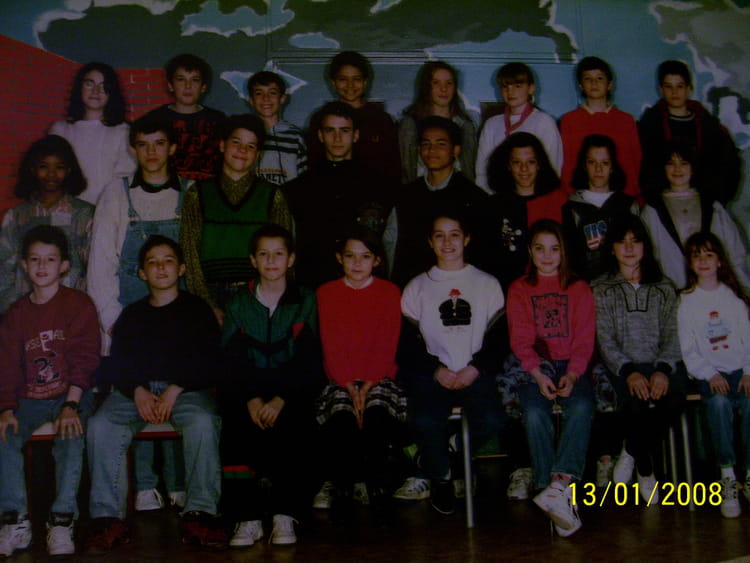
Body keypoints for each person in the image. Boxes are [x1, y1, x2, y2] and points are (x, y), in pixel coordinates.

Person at [85, 235, 225, 554]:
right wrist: (137, 390)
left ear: (182, 268)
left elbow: (211, 360)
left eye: (168, 261)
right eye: (152, 262)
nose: (161, 267)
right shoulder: (132, 315)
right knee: (100, 425)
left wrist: (177, 387)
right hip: (138, 391)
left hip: (187, 390)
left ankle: (201, 514)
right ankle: (108, 518)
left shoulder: (197, 310)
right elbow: (117, 364)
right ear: (142, 273)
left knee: (203, 423)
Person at [87, 114, 189, 511]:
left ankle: (178, 482)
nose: (151, 152)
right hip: (130, 321)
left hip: (177, 319)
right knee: (136, 395)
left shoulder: (189, 192)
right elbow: (100, 265)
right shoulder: (116, 194)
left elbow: (194, 262)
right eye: (143, 144)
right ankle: (145, 484)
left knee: (176, 393)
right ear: (133, 149)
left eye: (159, 143)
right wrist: (115, 324)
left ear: (172, 148)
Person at [220, 225, 324, 548]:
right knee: (235, 425)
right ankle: (247, 517)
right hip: (249, 387)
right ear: (253, 260)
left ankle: (285, 513)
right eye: (263, 254)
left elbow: (309, 359)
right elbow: (231, 361)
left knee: (298, 423)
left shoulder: (305, 300)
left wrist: (281, 399)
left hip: (290, 388)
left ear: (290, 259)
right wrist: (251, 398)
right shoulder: (239, 303)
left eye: (278, 254)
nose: (271, 261)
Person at [0, 225, 99, 557]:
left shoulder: (78, 304)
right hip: (30, 397)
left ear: (64, 266)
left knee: (71, 434)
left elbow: (85, 359)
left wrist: (71, 405)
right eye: (35, 259)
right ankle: (15, 520)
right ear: (24, 265)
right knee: (3, 434)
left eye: (50, 259)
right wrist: (6, 408)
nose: (42, 266)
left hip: (71, 393)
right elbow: (6, 366)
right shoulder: (16, 314)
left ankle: (61, 520)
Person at [399, 212, 506, 515]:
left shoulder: (486, 283)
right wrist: (435, 370)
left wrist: (475, 368)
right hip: (434, 376)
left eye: (454, 234)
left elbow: (500, 340)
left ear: (466, 239)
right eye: (440, 235)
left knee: (493, 419)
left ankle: (451, 448)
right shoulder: (417, 287)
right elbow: (407, 345)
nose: (447, 242)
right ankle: (442, 476)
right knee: (424, 420)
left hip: (473, 372)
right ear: (430, 242)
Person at [504, 219, 595, 537]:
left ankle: (560, 484)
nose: (547, 256)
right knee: (532, 412)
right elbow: (520, 340)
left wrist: (572, 374)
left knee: (581, 406)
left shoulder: (578, 288)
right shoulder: (519, 288)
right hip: (534, 365)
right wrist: (537, 373)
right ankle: (548, 489)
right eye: (540, 249)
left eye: (554, 249)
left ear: (564, 252)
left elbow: (584, 339)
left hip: (572, 365)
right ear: (530, 251)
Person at [313, 228, 405, 519]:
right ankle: (343, 487)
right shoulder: (326, 293)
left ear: (376, 260)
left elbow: (387, 343)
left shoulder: (389, 292)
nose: (357, 263)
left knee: (376, 415)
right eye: (350, 256)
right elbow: (330, 344)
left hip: (379, 376)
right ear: (339, 258)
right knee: (342, 417)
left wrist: (367, 385)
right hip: (339, 377)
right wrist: (349, 385)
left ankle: (378, 487)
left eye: (365, 257)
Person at [592, 215, 685, 503]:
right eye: (622, 242)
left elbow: (674, 334)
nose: (629, 248)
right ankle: (646, 470)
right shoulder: (601, 288)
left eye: (635, 241)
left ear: (646, 246)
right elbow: (604, 339)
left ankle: (632, 451)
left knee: (674, 400)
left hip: (660, 364)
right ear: (611, 248)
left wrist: (662, 370)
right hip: (621, 368)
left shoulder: (664, 287)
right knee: (636, 404)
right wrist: (629, 371)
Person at [180, 114, 292, 323]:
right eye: (236, 142)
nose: (242, 150)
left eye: (250, 146)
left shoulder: (272, 195)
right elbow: (189, 251)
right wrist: (206, 304)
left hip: (258, 292)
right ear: (222, 145)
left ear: (257, 154)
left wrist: (276, 300)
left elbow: (285, 254)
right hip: (210, 293)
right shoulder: (198, 194)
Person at [677, 232, 750, 518]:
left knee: (749, 404)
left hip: (740, 372)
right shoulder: (686, 301)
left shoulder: (733, 298)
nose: (703, 261)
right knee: (718, 405)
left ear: (720, 261)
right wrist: (709, 374)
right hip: (710, 375)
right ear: (690, 263)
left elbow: (747, 339)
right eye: (697, 256)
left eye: (709, 255)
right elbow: (689, 349)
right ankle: (727, 475)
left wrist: (748, 372)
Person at [285, 101, 395, 288]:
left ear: (356, 135)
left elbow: (389, 244)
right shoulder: (297, 190)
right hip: (313, 285)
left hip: (364, 286)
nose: (337, 138)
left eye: (344, 130)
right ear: (320, 135)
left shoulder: (379, 186)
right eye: (330, 131)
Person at [385, 115, 488, 288]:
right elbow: (391, 247)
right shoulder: (406, 196)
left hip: (459, 288)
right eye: (426, 144)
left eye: (441, 144)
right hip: (412, 288)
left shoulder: (474, 198)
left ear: (455, 150)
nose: (432, 150)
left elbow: (482, 253)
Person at [640, 141, 750, 292]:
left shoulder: (712, 206)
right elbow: (646, 258)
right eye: (671, 163)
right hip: (672, 292)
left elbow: (734, 252)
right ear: (663, 168)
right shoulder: (652, 210)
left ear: (693, 168)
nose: (677, 169)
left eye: (684, 163)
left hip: (715, 291)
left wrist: (743, 290)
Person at [0, 135, 92, 314]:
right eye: (44, 167)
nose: (51, 174)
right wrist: (8, 312)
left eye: (59, 167)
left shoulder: (84, 214)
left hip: (70, 309)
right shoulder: (17, 215)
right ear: (33, 169)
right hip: (24, 309)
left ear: (69, 170)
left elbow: (93, 269)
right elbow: (4, 268)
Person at [639, 60, 741, 205]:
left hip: (705, 202)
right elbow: (643, 167)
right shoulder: (650, 125)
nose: (674, 92)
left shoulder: (708, 124)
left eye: (680, 86)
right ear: (661, 89)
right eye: (668, 86)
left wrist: (719, 198)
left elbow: (730, 162)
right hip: (664, 202)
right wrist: (654, 200)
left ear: (689, 89)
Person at [482, 131, 568, 292]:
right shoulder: (493, 206)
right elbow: (488, 257)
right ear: (508, 166)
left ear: (539, 164)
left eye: (531, 162)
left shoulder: (558, 200)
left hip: (552, 288)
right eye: (517, 162)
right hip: (506, 289)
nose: (524, 169)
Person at [307, 51, 401, 182]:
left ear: (365, 82)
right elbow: (314, 163)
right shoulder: (320, 118)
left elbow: (393, 166)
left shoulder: (381, 119)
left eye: (356, 79)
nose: (350, 85)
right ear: (333, 82)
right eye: (343, 79)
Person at [50, 61, 135, 204]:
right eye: (89, 84)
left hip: (110, 208)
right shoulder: (60, 130)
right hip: (67, 208)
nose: (96, 91)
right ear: (80, 88)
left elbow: (125, 177)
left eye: (103, 86)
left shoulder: (123, 131)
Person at [559, 56, 641, 201]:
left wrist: (633, 197)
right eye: (588, 79)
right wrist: (571, 196)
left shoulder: (626, 121)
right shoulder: (569, 121)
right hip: (583, 198)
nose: (594, 83)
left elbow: (635, 163)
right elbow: (567, 164)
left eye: (599, 78)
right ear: (580, 85)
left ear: (610, 84)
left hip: (622, 198)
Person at [475, 62, 562, 192]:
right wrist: (488, 198)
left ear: (531, 88)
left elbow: (553, 167)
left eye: (517, 86)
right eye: (505, 86)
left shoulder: (544, 122)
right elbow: (482, 171)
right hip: (498, 197)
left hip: (534, 196)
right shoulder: (491, 124)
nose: (510, 92)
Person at [562, 134, 638, 281]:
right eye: (592, 162)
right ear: (584, 165)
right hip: (588, 284)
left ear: (612, 167)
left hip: (624, 282)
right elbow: (570, 257)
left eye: (605, 163)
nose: (598, 169)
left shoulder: (628, 204)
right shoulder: (572, 207)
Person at [144, 54, 226, 181]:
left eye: (195, 80)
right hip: (165, 189)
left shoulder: (218, 120)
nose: (188, 86)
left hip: (207, 189)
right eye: (181, 79)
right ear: (170, 85)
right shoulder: (154, 119)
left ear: (203, 87)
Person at [398, 61, 477, 183]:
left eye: (449, 83)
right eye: (436, 83)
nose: (444, 89)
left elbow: (468, 172)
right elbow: (407, 171)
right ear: (426, 87)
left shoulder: (465, 126)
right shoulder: (411, 125)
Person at [247, 70, 307, 186]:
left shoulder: (295, 136)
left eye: (272, 93)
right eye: (259, 93)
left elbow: (303, 177)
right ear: (251, 100)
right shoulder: (243, 134)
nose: (266, 98)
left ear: (282, 99)